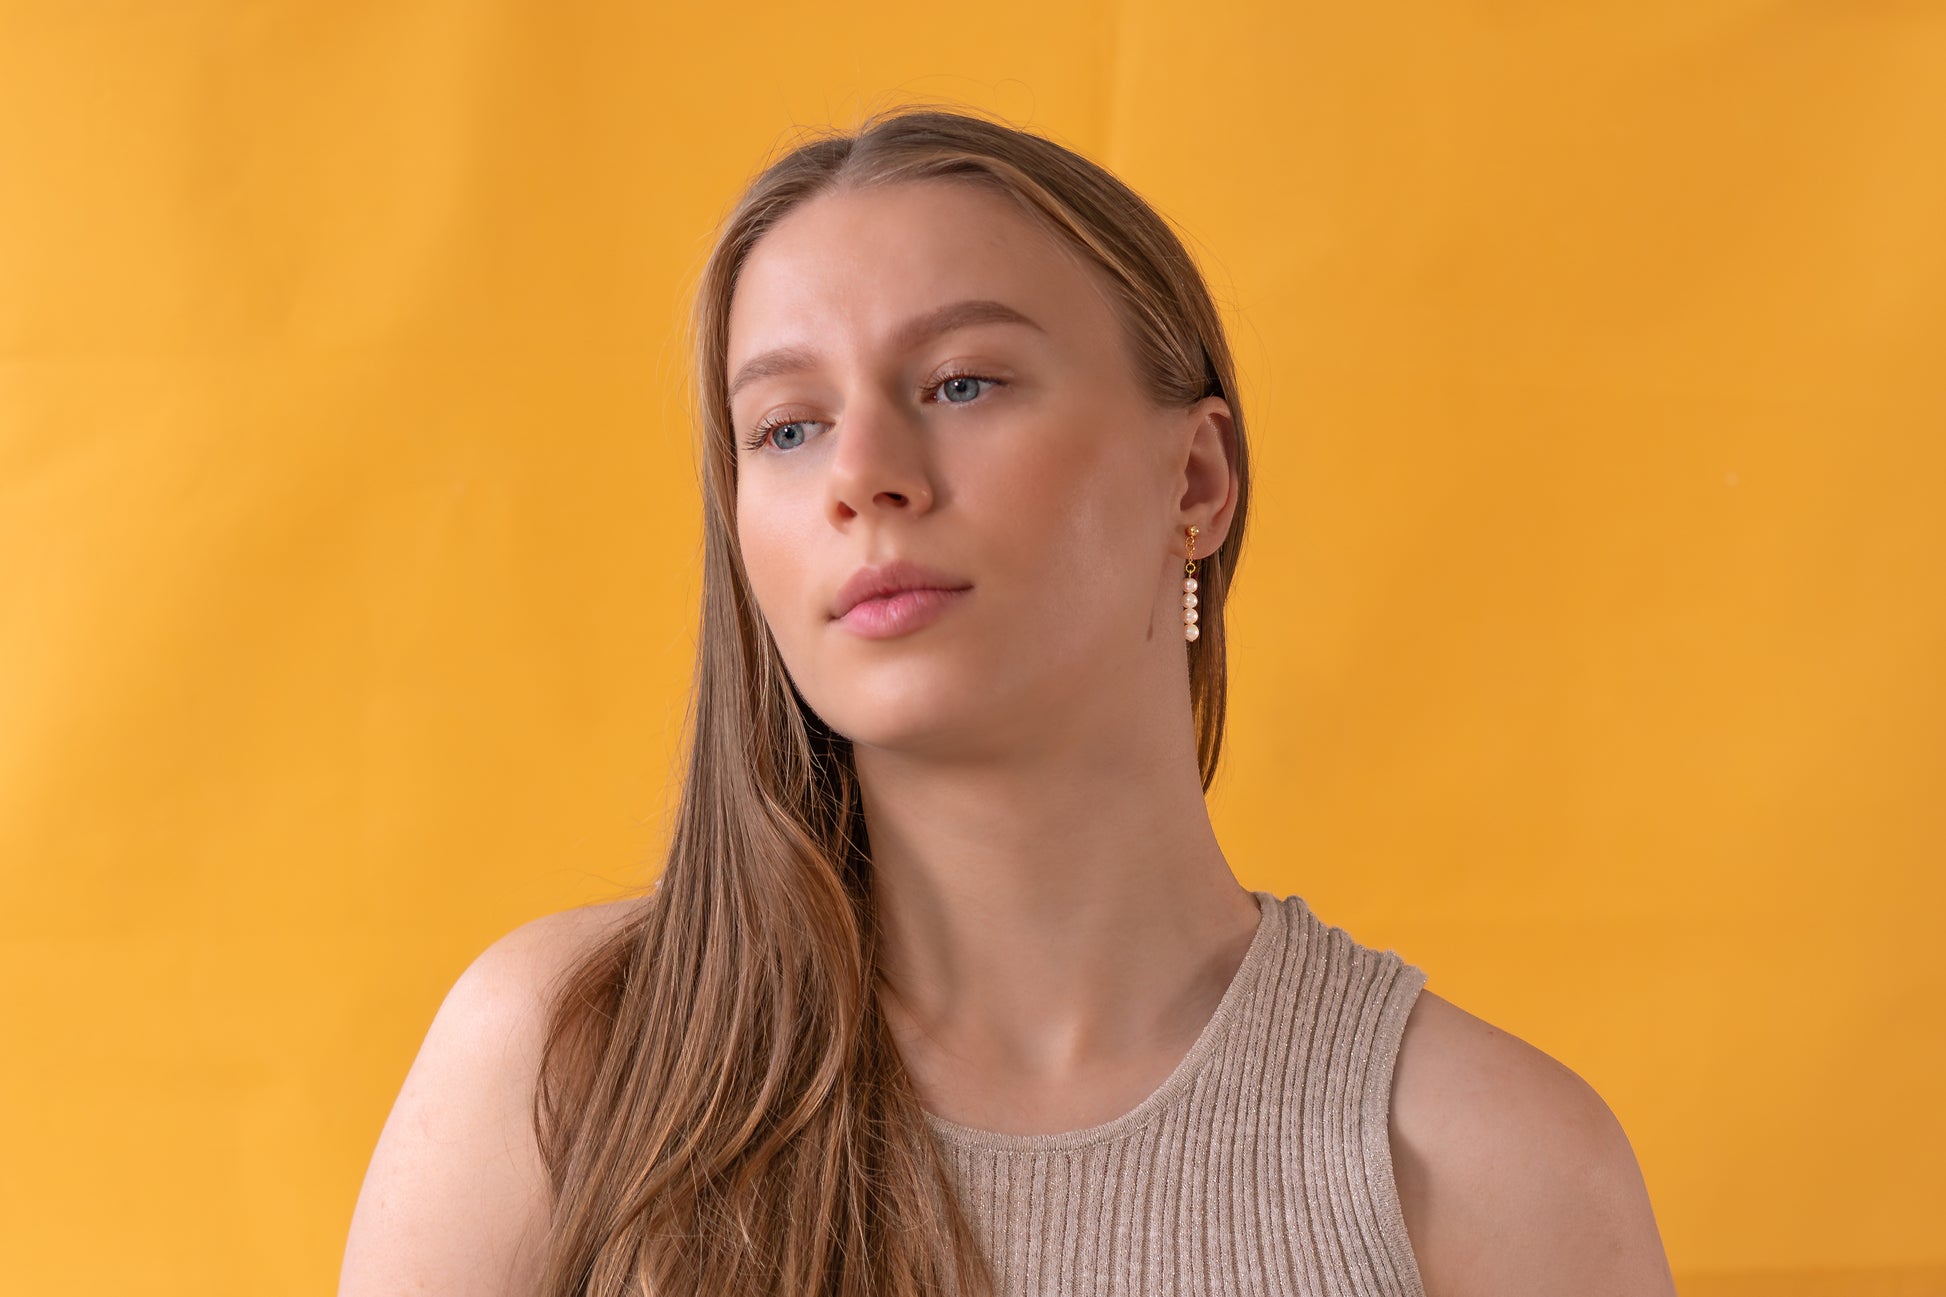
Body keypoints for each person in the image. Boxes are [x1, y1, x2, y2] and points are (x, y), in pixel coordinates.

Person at [339, 106, 1677, 1296]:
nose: (862, 472)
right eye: (786, 427)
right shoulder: (563, 1061)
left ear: (1196, 481)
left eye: (961, 382)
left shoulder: (1488, 1165)